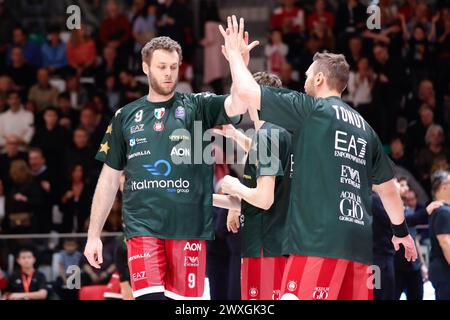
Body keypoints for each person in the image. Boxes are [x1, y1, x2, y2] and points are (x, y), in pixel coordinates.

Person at [219, 16, 417, 300]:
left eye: (309, 75)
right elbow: (387, 189)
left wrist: (236, 58)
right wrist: (401, 232)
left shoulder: (312, 110)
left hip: (318, 241)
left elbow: (248, 92)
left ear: (321, 78)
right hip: (359, 248)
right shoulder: (366, 128)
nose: (305, 81)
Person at [84, 36, 250, 300]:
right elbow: (108, 178)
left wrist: (238, 63)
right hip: (142, 229)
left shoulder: (199, 105)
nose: (169, 73)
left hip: (188, 229)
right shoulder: (124, 116)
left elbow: (239, 104)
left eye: (173, 66)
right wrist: (94, 235)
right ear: (145, 67)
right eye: (161, 66)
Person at [213, 71, 292, 300]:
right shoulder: (281, 132)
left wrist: (234, 185)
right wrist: (237, 136)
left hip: (265, 246)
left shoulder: (267, 135)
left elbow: (264, 199)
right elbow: (266, 160)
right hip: (279, 243)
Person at [429, 170, 450, 300]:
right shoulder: (443, 212)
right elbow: (445, 243)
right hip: (445, 274)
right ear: (444, 186)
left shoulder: (441, 210)